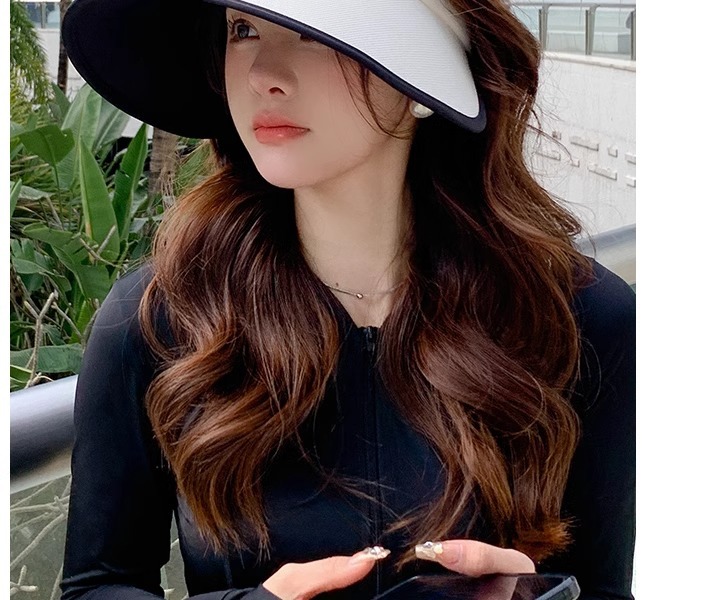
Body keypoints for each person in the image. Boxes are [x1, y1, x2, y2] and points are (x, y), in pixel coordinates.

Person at [59, 0, 635, 599]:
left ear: (424, 75)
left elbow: (602, 587)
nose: (262, 74)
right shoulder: (161, 318)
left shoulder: (578, 319)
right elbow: (97, 586)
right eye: (243, 29)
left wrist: (535, 592)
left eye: (314, 34)